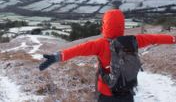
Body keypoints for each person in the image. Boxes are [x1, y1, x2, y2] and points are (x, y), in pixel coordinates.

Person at [39, 9, 176, 102]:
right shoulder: (134, 40)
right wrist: (173, 39)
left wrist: (57, 57)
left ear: (105, 25)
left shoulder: (100, 44)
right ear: (122, 25)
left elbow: (77, 50)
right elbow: (154, 38)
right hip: (127, 92)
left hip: (106, 93)